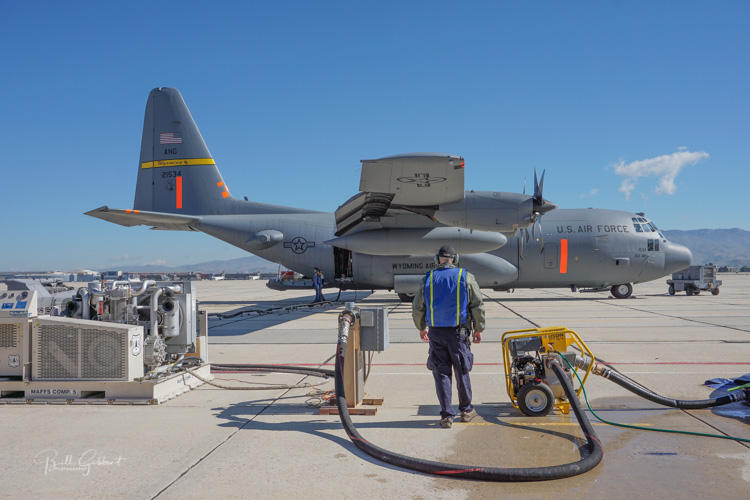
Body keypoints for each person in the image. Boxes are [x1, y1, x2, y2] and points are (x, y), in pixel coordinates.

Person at [412, 245, 485, 428]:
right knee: (462, 371)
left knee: (441, 373)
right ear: (455, 258)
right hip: (458, 334)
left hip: (436, 333)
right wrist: (478, 328)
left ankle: (446, 416)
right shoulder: (465, 276)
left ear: (437, 259)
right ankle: (466, 411)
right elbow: (477, 304)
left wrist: (421, 327)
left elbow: (418, 306)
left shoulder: (427, 278)